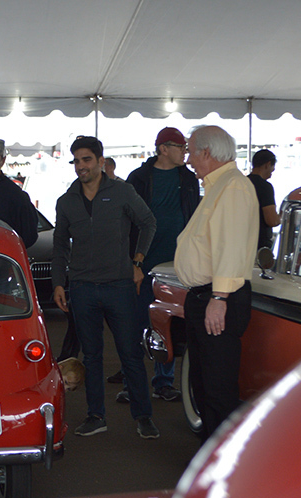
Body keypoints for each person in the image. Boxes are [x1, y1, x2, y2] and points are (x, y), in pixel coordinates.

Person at [51, 135, 159, 440]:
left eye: (86, 159)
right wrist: (59, 282)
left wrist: (137, 260)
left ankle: (144, 415)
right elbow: (60, 245)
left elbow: (149, 222)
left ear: (100, 161)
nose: (81, 166)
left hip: (119, 285)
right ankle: (96, 415)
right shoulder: (66, 201)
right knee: (93, 356)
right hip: (82, 287)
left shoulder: (122, 192)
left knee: (130, 353)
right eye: (76, 161)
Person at [175, 125, 259, 442]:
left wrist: (219, 297)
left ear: (206, 153)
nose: (189, 160)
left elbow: (231, 246)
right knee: (203, 383)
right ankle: (210, 456)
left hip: (218, 298)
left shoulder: (233, 186)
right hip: (207, 297)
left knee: (217, 388)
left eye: (191, 152)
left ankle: (220, 465)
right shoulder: (220, 185)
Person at [118, 127, 201, 403]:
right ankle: (133, 384)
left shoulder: (188, 178)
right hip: (144, 263)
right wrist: (133, 262)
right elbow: (126, 223)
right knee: (137, 324)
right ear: (164, 148)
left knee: (169, 323)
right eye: (181, 147)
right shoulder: (139, 179)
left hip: (177, 265)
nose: (185, 153)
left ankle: (163, 382)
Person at [247, 149, 281, 250]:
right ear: (268, 164)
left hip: (242, 241)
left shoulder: (242, 183)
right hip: (259, 245)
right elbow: (272, 221)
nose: (271, 174)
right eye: (272, 169)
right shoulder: (265, 187)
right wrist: (283, 215)